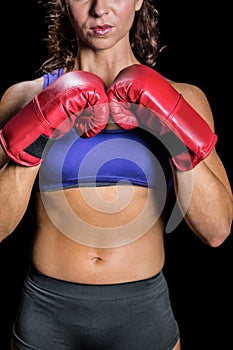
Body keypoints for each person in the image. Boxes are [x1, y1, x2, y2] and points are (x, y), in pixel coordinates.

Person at [0, 0, 232, 349]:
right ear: (63, 2)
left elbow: (217, 230)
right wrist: (37, 133)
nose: (99, 8)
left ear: (139, 0)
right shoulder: (24, 98)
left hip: (142, 314)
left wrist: (170, 127)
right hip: (47, 315)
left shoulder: (185, 98)